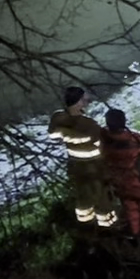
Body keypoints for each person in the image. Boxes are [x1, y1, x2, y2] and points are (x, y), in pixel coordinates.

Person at [46, 86, 115, 227]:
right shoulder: (88, 124)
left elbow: (53, 134)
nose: (87, 102)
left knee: (83, 196)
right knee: (101, 196)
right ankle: (107, 225)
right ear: (78, 102)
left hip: (75, 164)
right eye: (84, 99)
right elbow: (101, 145)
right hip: (94, 166)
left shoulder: (58, 118)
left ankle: (85, 224)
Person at [100, 109, 140, 240]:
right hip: (137, 179)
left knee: (130, 206)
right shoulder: (132, 139)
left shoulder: (103, 139)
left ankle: (135, 232)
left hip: (118, 180)